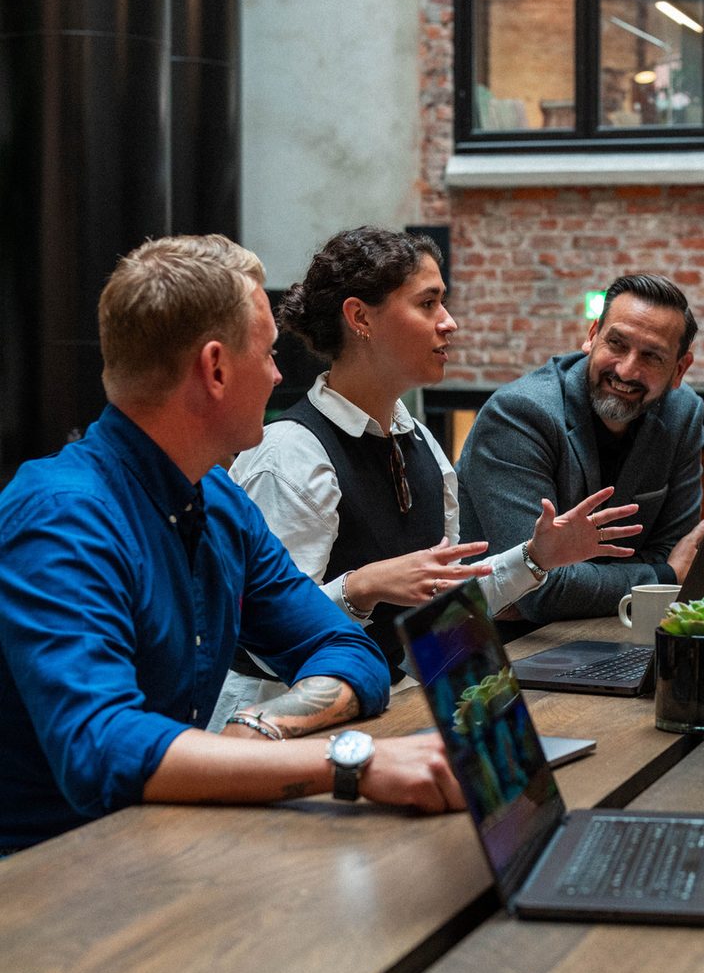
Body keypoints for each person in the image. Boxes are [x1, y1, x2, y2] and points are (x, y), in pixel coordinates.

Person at [0, 235, 463, 856]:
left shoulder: (219, 504)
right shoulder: (61, 519)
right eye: (269, 354)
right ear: (215, 369)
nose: (278, 375)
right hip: (46, 880)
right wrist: (349, 761)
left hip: (163, 842)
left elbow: (348, 648)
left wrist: (257, 728)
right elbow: (101, 750)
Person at [219, 227, 640, 713]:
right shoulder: (290, 455)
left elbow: (440, 617)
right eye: (428, 304)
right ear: (360, 318)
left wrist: (535, 557)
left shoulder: (419, 442)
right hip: (274, 722)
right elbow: (266, 638)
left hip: (382, 708)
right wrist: (362, 587)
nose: (450, 323)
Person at [456, 272, 704, 624]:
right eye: (617, 344)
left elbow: (677, 550)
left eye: (652, 356)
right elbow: (535, 590)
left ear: (680, 369)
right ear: (592, 337)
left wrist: (576, 586)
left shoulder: (683, 412)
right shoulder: (519, 415)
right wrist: (663, 577)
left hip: (613, 631)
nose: (626, 369)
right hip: (492, 648)